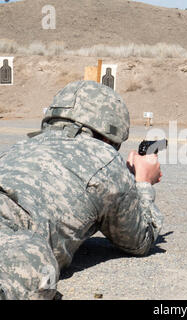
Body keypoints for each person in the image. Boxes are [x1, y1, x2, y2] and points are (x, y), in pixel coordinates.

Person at [0, 81, 164, 300]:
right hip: (10, 242)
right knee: (34, 272)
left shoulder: (21, 147)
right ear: (109, 133)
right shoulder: (106, 161)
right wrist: (143, 181)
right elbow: (139, 241)